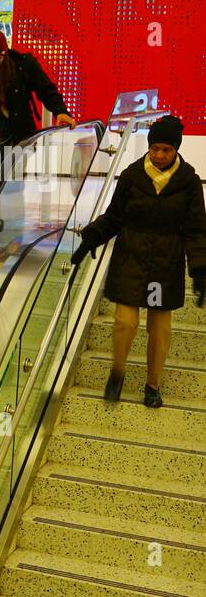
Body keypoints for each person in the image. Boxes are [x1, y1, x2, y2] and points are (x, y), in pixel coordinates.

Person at [72, 115, 206, 408]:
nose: (159, 155)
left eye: (166, 150)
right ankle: (117, 373)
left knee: (159, 327)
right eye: (155, 148)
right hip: (130, 259)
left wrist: (199, 268)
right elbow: (114, 217)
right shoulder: (132, 176)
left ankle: (152, 385)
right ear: (148, 147)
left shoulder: (189, 182)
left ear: (176, 150)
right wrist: (90, 237)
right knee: (125, 321)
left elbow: (196, 230)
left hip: (163, 266)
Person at [0, 29, 76, 259]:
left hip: (17, 141)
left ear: (5, 53)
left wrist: (61, 111)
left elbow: (46, 90)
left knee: (11, 190)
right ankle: (2, 237)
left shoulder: (23, 65)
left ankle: (10, 241)